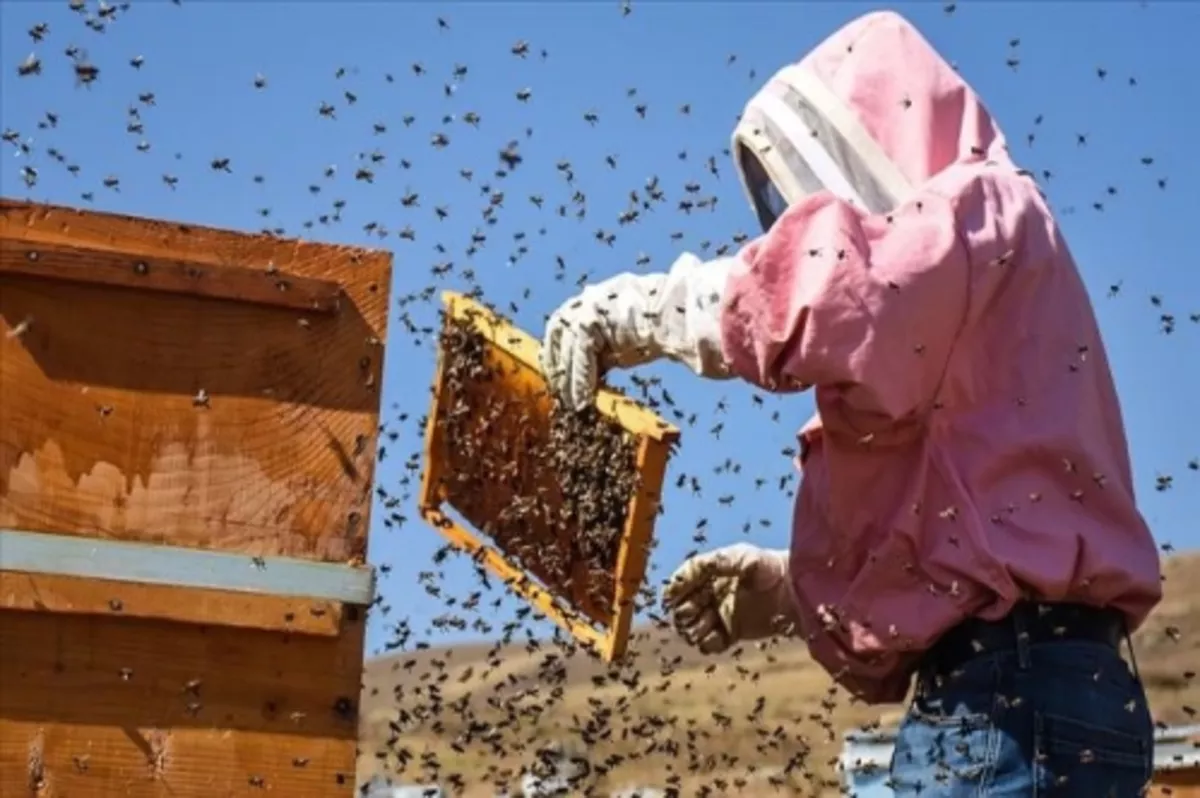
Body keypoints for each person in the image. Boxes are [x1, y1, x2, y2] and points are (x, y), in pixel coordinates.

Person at [538, 9, 1163, 797]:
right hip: (1045, 690)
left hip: (1008, 702)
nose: (792, 225)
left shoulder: (981, 210)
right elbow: (972, 515)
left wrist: (637, 313)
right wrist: (794, 589)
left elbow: (828, 286)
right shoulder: (978, 308)